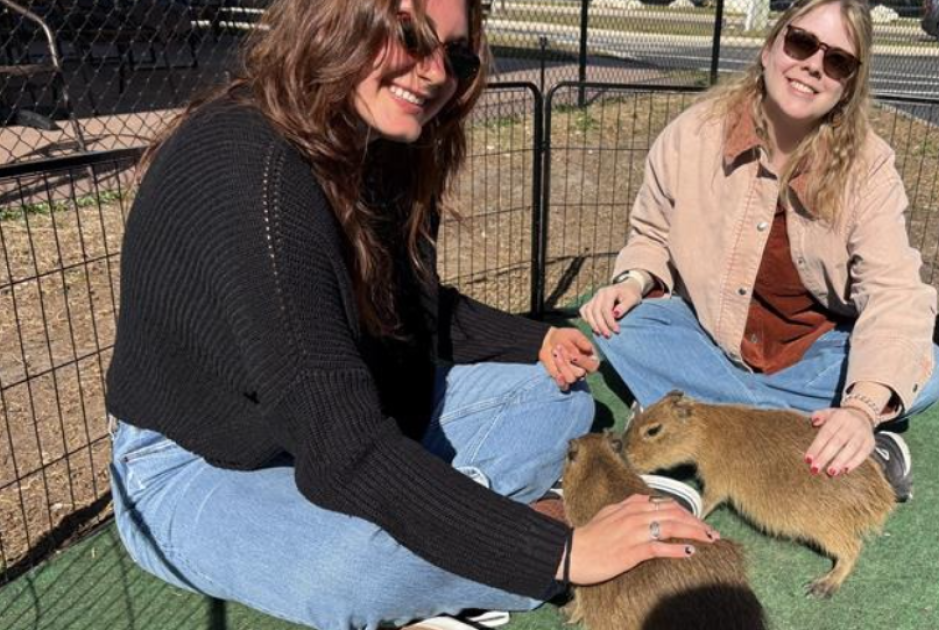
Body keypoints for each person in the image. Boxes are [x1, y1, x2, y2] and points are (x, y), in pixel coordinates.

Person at [104, 0, 716, 628]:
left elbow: (411, 308)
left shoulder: (374, 142)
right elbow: (343, 451)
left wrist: (536, 342)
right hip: (196, 466)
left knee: (556, 395)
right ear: (335, 18)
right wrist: (562, 551)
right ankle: (513, 524)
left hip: (350, 416)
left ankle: (449, 527)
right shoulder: (251, 170)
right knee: (358, 566)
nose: (434, 73)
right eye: (409, 36)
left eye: (456, 55)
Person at [581, 0, 939, 501]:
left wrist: (862, 408)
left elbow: (894, 291)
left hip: (813, 353)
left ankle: (700, 425)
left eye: (838, 61)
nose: (814, 65)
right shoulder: (692, 134)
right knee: (619, 323)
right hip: (709, 334)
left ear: (848, 86)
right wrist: (632, 281)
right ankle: (817, 442)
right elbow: (650, 233)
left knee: (927, 368)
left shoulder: (869, 169)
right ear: (769, 47)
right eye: (801, 43)